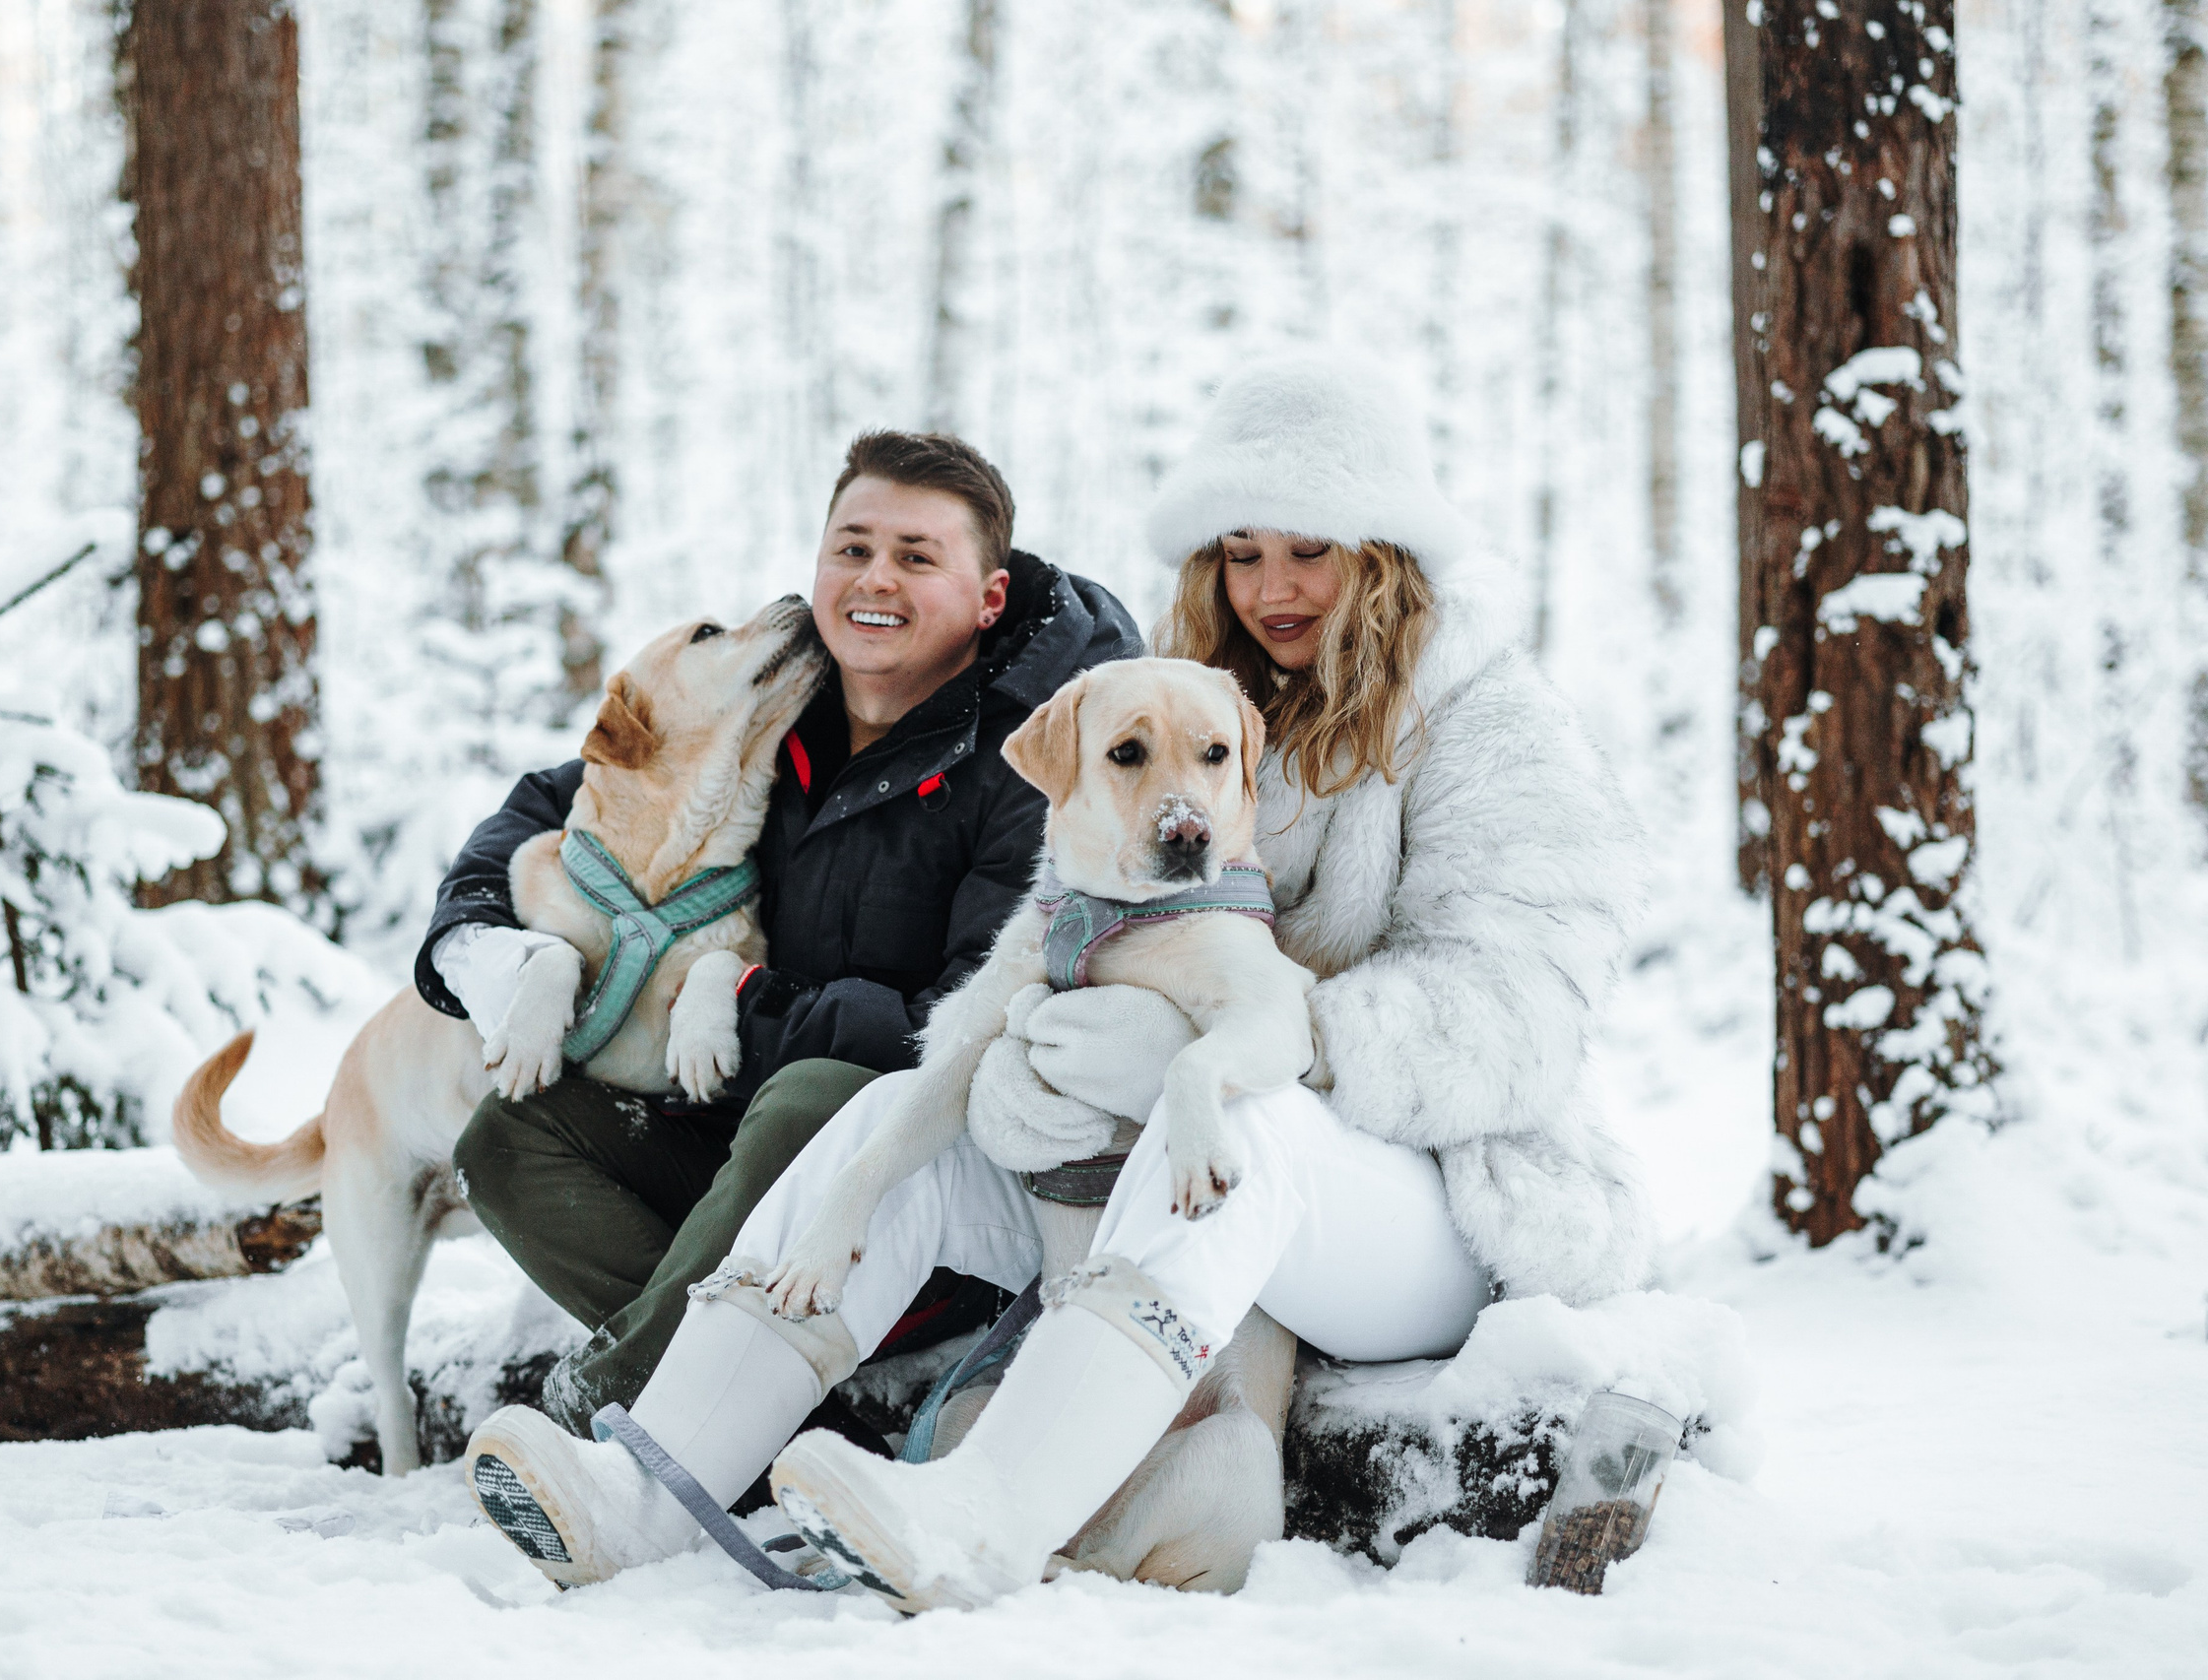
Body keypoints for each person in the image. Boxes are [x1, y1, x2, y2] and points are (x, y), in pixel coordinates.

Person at [458, 352, 1658, 1605]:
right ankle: (649, 1487)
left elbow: (1517, 1021)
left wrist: (1272, 1042)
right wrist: (1038, 1045)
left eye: (1312, 549)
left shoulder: (1491, 720)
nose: (1273, 587)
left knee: (1249, 1128)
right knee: (889, 1117)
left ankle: (980, 1520)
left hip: (1431, 1198)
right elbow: (1064, 910)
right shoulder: (1194, 701)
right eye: (1240, 552)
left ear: (1387, 550)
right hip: (1184, 1149)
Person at [423, 430, 1140, 1433]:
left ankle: (627, 1403)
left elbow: (967, 1018)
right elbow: (565, 790)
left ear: (988, 598)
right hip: (740, 1155)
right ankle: (782, 1411)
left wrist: (753, 1005)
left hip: (914, 1187)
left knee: (810, 1092)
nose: (871, 578)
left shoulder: (1037, 759)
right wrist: (479, 939)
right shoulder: (785, 694)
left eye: (915, 555)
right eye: (850, 547)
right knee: (510, 1136)